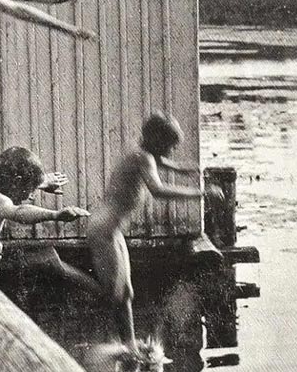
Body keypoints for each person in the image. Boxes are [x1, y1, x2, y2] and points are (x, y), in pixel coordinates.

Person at [85, 113, 222, 355]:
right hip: (104, 230)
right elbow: (158, 190)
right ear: (157, 140)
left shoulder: (140, 153)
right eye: (170, 146)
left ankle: (127, 346)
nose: (171, 152)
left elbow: (160, 161)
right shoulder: (143, 159)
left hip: (109, 228)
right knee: (116, 292)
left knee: (125, 292)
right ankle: (58, 268)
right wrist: (201, 193)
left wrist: (181, 169)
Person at [0, 146, 90, 282]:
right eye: (31, 190)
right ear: (17, 182)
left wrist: (41, 183)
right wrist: (56, 215)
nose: (32, 196)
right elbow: (19, 212)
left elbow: (18, 185)